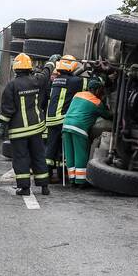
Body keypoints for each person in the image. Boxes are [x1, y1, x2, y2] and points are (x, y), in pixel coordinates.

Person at [0, 53, 56, 196]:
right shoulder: (37, 80)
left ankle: (24, 188)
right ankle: (44, 186)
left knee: (21, 158)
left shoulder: (12, 86)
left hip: (19, 131)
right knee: (39, 156)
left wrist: (2, 126)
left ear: (15, 69)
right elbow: (46, 73)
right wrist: (52, 61)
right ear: (29, 67)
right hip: (36, 128)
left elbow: (7, 110)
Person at [61, 77, 111, 187]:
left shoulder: (78, 94)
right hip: (79, 127)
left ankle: (72, 180)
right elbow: (108, 115)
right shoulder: (96, 102)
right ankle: (81, 182)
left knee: (70, 154)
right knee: (80, 154)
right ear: (97, 90)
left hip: (66, 125)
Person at [43, 55, 84, 183]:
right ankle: (62, 174)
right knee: (63, 148)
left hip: (50, 119)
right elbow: (93, 83)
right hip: (62, 119)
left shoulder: (55, 80)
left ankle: (47, 174)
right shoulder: (75, 82)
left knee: (51, 147)